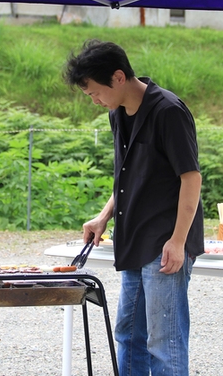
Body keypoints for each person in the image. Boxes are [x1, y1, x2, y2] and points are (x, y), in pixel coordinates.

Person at [63, 39, 204, 376]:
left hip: (165, 241)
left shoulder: (168, 111)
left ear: (119, 77)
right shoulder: (118, 114)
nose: (95, 100)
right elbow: (129, 177)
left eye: (96, 92)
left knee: (163, 342)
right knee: (129, 334)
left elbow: (191, 178)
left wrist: (178, 240)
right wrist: (103, 217)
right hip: (133, 240)